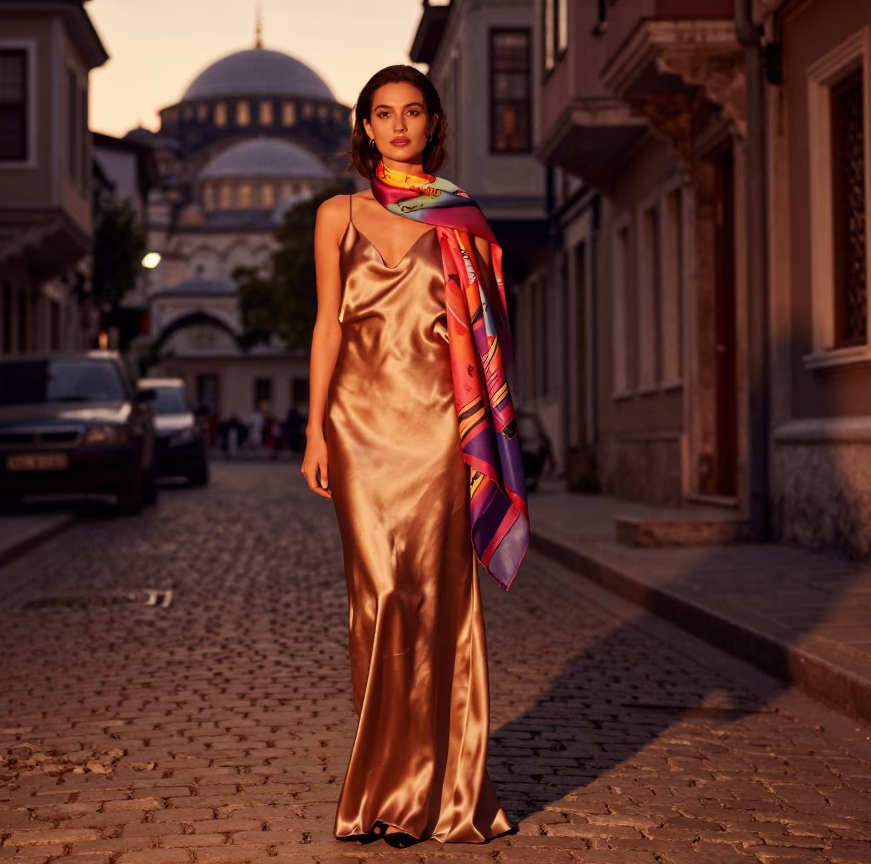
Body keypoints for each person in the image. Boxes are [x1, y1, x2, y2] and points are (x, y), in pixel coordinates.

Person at [300, 65, 529, 847]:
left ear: (432, 124)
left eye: (413, 113)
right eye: (383, 114)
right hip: (359, 428)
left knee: (438, 602)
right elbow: (328, 326)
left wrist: (480, 442)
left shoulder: (460, 219)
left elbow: (491, 338)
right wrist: (312, 431)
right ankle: (381, 787)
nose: (399, 126)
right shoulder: (337, 213)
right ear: (364, 128)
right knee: (378, 599)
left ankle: (435, 795)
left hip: (439, 428)